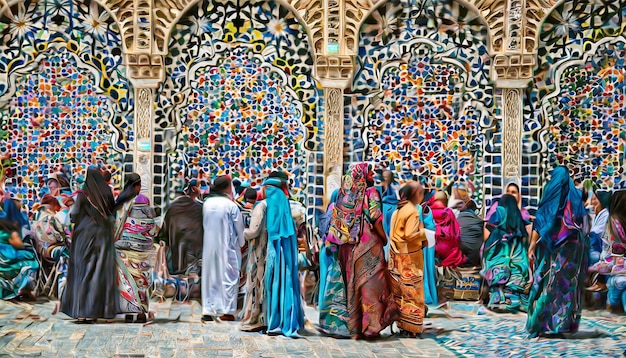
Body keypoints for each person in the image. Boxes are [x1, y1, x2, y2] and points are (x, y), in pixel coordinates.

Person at [326, 163, 397, 339]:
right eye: (369, 171)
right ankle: (371, 327)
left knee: (351, 285)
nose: (373, 173)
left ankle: (354, 327)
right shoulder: (371, 192)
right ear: (363, 175)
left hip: (348, 246)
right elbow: (376, 217)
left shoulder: (345, 194)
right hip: (368, 244)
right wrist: (384, 237)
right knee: (371, 285)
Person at [526, 166, 588, 337]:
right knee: (565, 285)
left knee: (546, 283)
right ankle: (561, 324)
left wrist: (531, 246)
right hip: (572, 249)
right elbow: (583, 225)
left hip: (550, 248)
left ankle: (539, 323)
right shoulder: (575, 197)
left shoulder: (551, 193)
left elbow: (541, 220)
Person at [61, 168, 120, 323]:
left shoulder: (83, 194)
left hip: (84, 238)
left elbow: (74, 216)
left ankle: (82, 313)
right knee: (99, 273)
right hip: (104, 237)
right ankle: (95, 312)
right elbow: (114, 215)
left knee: (83, 272)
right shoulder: (107, 193)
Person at [262, 177, 305, 337]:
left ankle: (276, 323)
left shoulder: (273, 201)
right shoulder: (285, 203)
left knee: (277, 284)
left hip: (278, 253)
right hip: (286, 254)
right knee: (286, 285)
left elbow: (273, 231)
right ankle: (286, 321)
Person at [201, 176, 245, 322]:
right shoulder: (230, 205)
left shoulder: (206, 203)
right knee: (229, 278)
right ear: (227, 187)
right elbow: (239, 228)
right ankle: (227, 311)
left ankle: (208, 309)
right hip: (228, 247)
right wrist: (242, 243)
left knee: (210, 278)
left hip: (209, 246)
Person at [115, 180, 158, 322]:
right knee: (143, 282)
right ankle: (141, 313)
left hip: (124, 250)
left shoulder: (123, 206)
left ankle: (129, 312)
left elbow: (118, 226)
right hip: (144, 252)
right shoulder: (148, 213)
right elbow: (153, 230)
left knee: (126, 281)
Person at [389, 181, 427, 335]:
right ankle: (411, 328)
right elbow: (410, 235)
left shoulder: (397, 211)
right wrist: (426, 234)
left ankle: (401, 325)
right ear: (415, 194)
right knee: (412, 294)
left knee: (400, 294)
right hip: (409, 260)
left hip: (396, 257)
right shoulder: (412, 211)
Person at [481, 194, 530, 312]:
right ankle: (511, 295)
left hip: (498, 259)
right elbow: (524, 236)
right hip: (516, 258)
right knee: (517, 268)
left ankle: (497, 294)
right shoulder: (518, 216)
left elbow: (487, 233)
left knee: (496, 267)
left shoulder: (498, 212)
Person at [317, 189, 350, 337]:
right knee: (335, 288)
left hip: (326, 251)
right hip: (333, 252)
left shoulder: (328, 210)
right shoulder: (337, 212)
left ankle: (324, 321)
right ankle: (335, 324)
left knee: (325, 285)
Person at [239, 185, 269, 332]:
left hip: (258, 252)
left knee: (255, 285)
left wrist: (239, 233)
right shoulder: (279, 205)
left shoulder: (261, 207)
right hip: (270, 252)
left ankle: (254, 318)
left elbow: (253, 231)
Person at [0, 219, 39, 300]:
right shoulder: (10, 233)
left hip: (2, 260)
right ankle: (21, 288)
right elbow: (18, 244)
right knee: (30, 259)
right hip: (10, 257)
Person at [429, 191, 466, 267]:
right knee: (457, 253)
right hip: (447, 249)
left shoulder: (428, 212)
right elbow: (457, 232)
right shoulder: (449, 212)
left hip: (432, 248)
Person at [379, 170, 400, 258]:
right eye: (384, 177)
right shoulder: (379, 187)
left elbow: (397, 197)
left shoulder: (396, 187)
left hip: (392, 209)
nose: (386, 178)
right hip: (383, 210)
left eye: (387, 177)